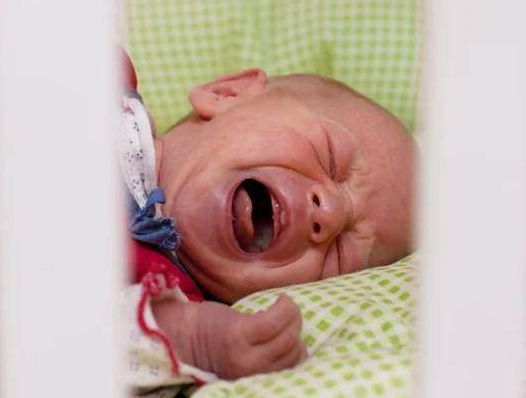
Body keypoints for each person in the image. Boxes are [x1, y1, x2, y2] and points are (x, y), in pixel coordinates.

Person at [120, 56, 416, 393]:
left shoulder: (166, 314)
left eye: (341, 254)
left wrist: (194, 341)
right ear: (228, 94)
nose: (330, 215)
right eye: (331, 158)